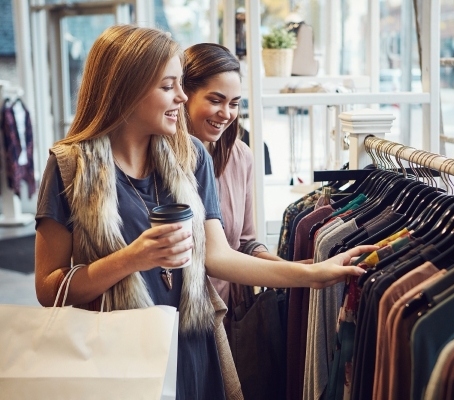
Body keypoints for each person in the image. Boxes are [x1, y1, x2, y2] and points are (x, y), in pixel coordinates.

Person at [34, 24, 372, 400]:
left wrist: (313, 273)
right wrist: (132, 258)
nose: (181, 96)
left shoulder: (191, 158)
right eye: (168, 86)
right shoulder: (69, 167)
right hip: (119, 354)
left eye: (180, 83)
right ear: (125, 88)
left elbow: (219, 256)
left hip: (193, 347)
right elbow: (49, 289)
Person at [182, 42, 285, 331]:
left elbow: (245, 242)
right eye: (215, 100)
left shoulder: (241, 157)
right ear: (184, 95)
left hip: (224, 314)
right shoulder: (160, 160)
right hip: (174, 315)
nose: (227, 113)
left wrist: (292, 268)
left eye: (235, 103)